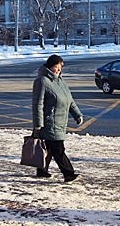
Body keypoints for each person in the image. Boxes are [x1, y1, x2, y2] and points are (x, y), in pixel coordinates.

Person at [32, 54, 84, 183]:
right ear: (50, 66)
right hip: (49, 123)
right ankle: (69, 174)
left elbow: (69, 101)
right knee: (58, 149)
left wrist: (77, 114)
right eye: (56, 66)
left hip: (60, 122)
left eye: (60, 67)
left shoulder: (60, 81)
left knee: (49, 149)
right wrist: (38, 124)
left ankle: (42, 171)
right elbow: (37, 104)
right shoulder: (42, 81)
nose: (58, 69)